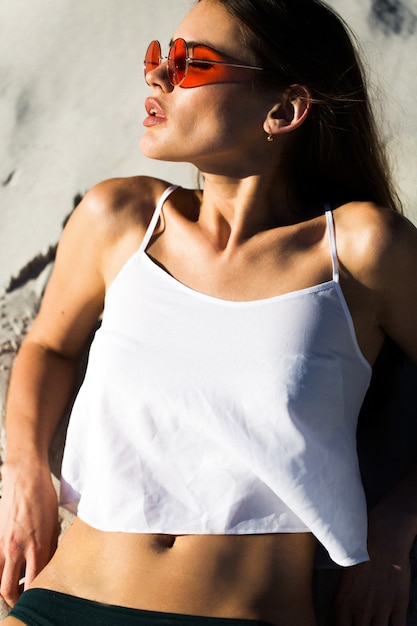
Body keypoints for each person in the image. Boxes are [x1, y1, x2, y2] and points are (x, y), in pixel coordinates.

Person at [0, 0, 416, 624]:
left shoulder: (359, 250)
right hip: (61, 604)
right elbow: (49, 346)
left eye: (191, 62)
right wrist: (25, 470)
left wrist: (398, 527)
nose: (158, 76)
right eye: (159, 56)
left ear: (285, 109)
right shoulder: (120, 219)